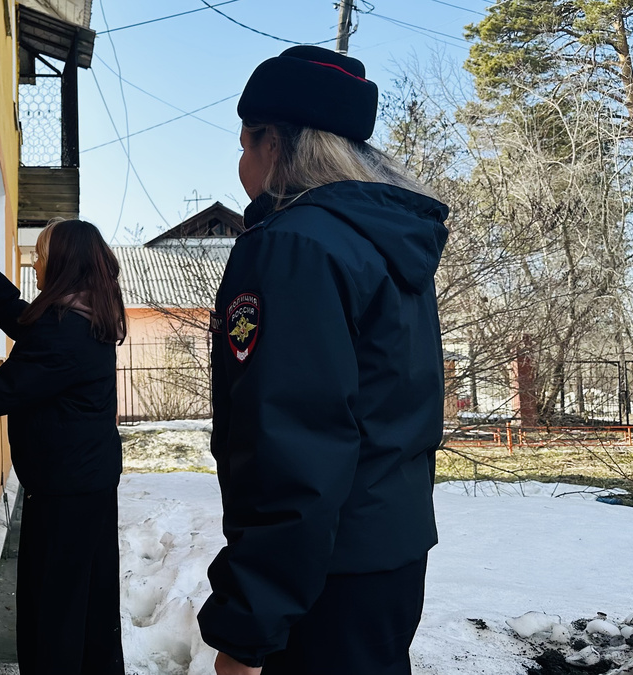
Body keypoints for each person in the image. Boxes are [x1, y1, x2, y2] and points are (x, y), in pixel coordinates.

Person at [197, 46, 450, 675]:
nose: (239, 163)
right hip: (387, 558)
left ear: (274, 144)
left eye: (244, 144)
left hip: (320, 582)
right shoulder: (383, 243)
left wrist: (249, 626)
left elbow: (293, 444)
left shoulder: (292, 249)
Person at [0, 220, 127, 675]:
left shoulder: (65, 333)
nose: (35, 262)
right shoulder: (81, 314)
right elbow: (25, 320)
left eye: (41, 254)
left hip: (66, 495)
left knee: (54, 611)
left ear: (63, 264)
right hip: (83, 485)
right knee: (86, 603)